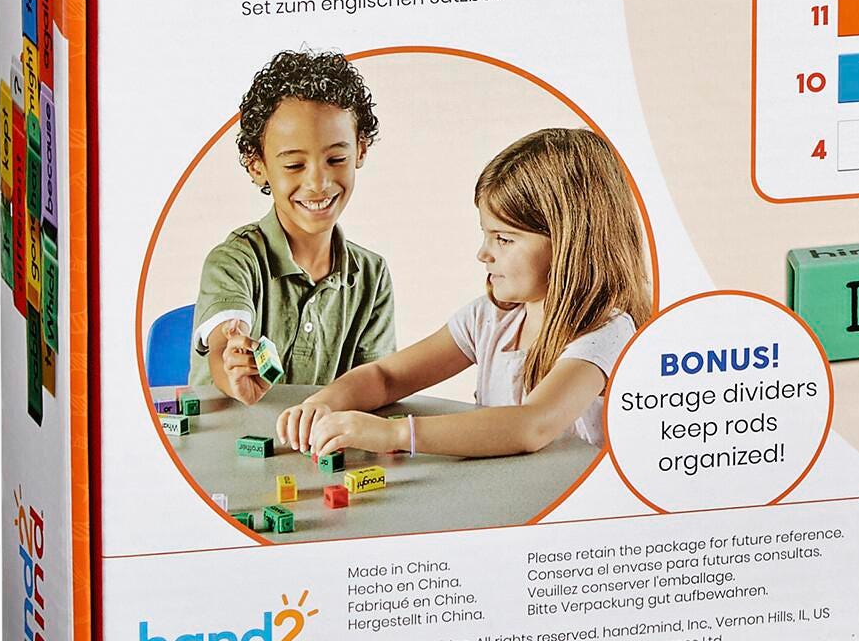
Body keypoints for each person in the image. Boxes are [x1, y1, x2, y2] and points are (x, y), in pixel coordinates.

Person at [278, 126, 648, 458]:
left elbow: (531, 425)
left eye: (504, 239)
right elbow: (386, 377)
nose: (484, 253)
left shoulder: (607, 333)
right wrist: (323, 403)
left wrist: (394, 434)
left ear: (570, 242)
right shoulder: (488, 319)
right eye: (485, 234)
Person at [190, 49, 393, 405]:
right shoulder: (233, 261)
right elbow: (225, 338)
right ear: (257, 166)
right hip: (227, 435)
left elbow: (378, 384)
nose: (318, 183)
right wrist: (232, 364)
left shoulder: (372, 276)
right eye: (295, 165)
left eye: (336, 159)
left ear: (360, 150)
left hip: (318, 437)